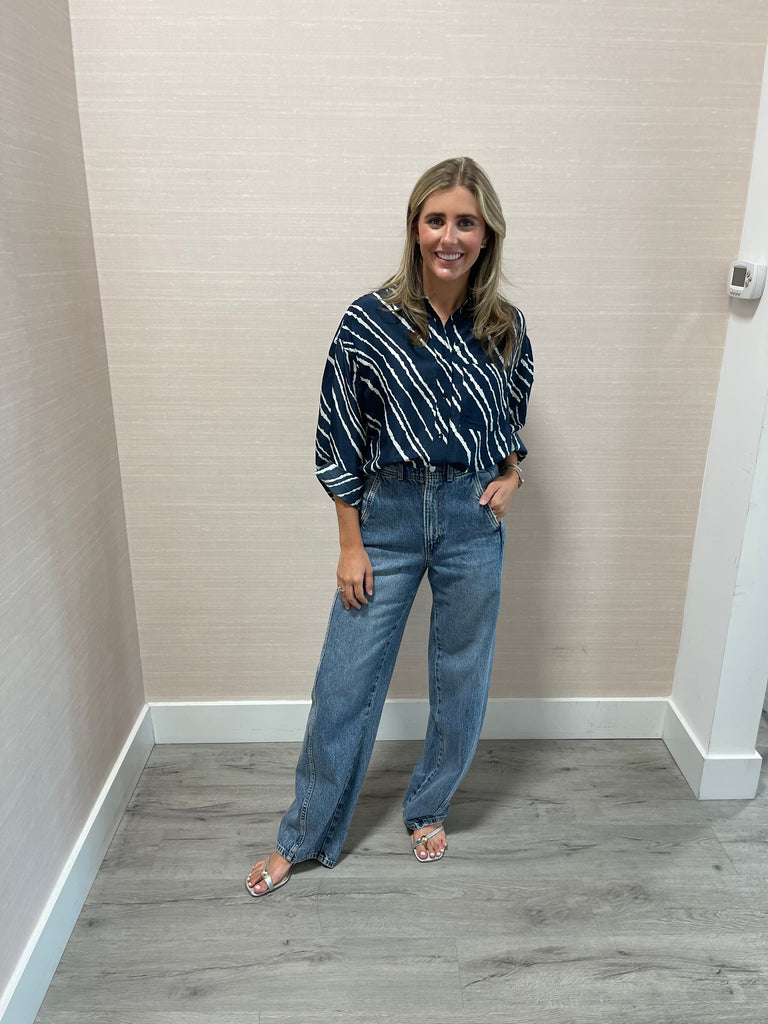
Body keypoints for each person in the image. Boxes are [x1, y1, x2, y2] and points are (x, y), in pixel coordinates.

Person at [246, 156, 533, 896]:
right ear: (415, 227)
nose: (449, 236)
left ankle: (429, 807)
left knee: (462, 673)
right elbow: (337, 436)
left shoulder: (504, 328)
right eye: (436, 220)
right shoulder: (367, 322)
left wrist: (511, 477)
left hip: (471, 518)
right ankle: (303, 834)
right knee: (344, 680)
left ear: (486, 234)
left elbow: (510, 420)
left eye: (465, 222)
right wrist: (351, 543)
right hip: (389, 516)